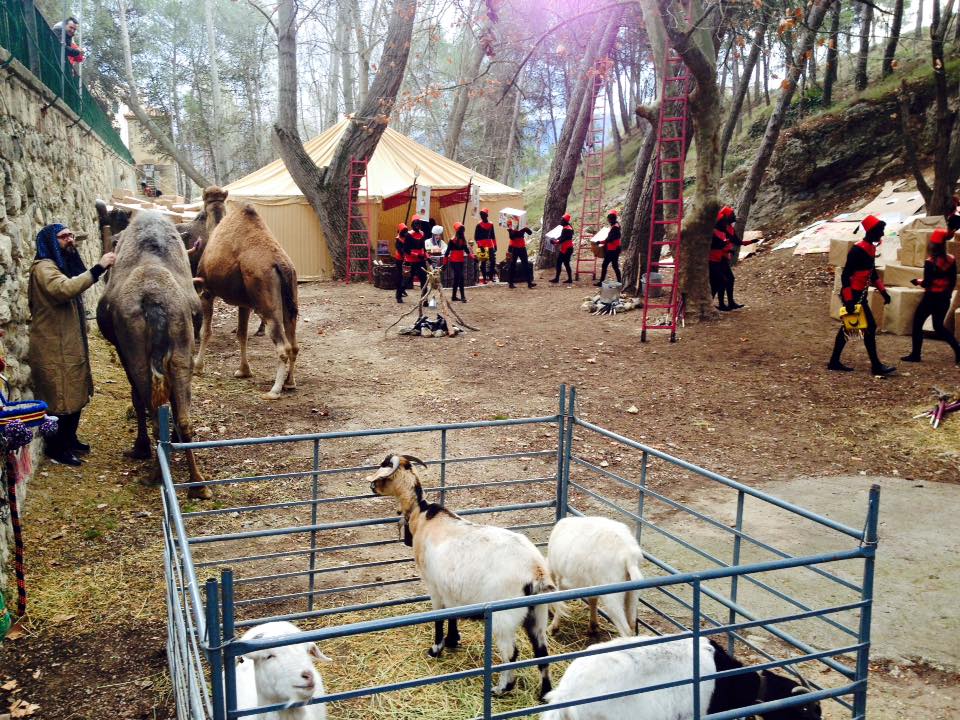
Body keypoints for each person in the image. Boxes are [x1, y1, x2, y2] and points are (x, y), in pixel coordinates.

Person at [29, 224, 116, 465]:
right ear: (50, 241)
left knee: (75, 390)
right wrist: (98, 268)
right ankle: (57, 448)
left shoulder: (61, 265)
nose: (70, 239)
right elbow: (63, 289)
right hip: (53, 344)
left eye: (71, 235)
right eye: (63, 236)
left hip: (67, 341)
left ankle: (70, 439)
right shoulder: (44, 268)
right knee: (60, 396)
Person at [828, 215, 895, 375]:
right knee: (867, 327)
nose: (882, 234)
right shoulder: (857, 250)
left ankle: (834, 361)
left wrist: (883, 292)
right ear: (872, 231)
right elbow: (846, 276)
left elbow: (872, 274)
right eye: (880, 231)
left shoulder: (870, 248)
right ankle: (876, 366)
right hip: (853, 295)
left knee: (850, 328)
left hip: (859, 294)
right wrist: (849, 300)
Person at [901, 228, 960, 365]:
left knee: (917, 323)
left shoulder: (930, 262)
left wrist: (917, 281)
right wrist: (948, 294)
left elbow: (927, 283)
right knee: (938, 326)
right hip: (944, 298)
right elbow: (952, 281)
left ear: (932, 245)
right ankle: (958, 350)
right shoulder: (951, 260)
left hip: (930, 298)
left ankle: (915, 354)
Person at [710, 206, 759, 310]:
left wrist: (751, 241)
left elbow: (736, 241)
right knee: (721, 281)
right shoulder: (718, 230)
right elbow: (719, 244)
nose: (733, 216)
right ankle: (720, 304)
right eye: (732, 214)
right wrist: (727, 248)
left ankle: (729, 303)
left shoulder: (727, 229)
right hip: (717, 259)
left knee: (727, 280)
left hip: (722, 258)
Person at [444, 222, 474, 302]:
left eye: (463, 230)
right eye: (461, 230)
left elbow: (466, 250)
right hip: (454, 261)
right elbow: (447, 252)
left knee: (457, 278)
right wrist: (445, 263)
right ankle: (463, 296)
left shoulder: (463, 240)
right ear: (457, 231)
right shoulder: (452, 240)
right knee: (461, 277)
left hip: (461, 260)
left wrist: (473, 257)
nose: (462, 231)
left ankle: (454, 296)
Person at [506, 219, 535, 289]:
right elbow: (512, 237)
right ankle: (510, 283)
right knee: (512, 265)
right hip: (513, 247)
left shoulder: (522, 224)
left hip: (522, 247)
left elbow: (530, 233)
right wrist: (511, 229)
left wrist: (525, 228)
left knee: (526, 264)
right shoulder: (511, 223)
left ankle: (529, 283)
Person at [595, 210, 622, 286]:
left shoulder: (615, 227)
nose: (609, 221)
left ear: (611, 219)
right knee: (615, 266)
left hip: (613, 250)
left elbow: (610, 239)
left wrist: (600, 242)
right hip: (615, 249)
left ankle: (601, 282)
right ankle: (619, 282)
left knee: (605, 265)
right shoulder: (616, 226)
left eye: (609, 220)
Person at [404, 215, 428, 295]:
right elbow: (406, 250)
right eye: (415, 224)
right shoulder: (408, 235)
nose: (417, 226)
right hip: (411, 261)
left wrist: (427, 257)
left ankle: (424, 298)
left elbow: (423, 248)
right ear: (412, 225)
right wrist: (416, 255)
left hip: (421, 260)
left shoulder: (422, 234)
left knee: (424, 279)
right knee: (408, 279)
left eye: (418, 224)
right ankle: (399, 294)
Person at [549, 213, 575, 284]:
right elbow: (563, 238)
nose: (561, 221)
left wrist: (554, 242)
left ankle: (557, 279)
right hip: (568, 248)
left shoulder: (566, 229)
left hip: (566, 249)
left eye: (562, 220)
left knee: (559, 262)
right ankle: (569, 279)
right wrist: (556, 240)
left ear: (565, 221)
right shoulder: (569, 227)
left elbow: (562, 240)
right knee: (566, 263)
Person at [474, 208, 498, 284]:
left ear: (487, 215)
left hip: (490, 245)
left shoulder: (491, 224)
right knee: (483, 263)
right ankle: (484, 279)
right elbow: (476, 237)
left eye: (483, 214)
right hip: (481, 245)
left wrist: (495, 245)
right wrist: (480, 246)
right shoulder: (478, 225)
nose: (482, 216)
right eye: (481, 215)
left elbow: (493, 236)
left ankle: (491, 277)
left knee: (493, 261)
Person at [394, 223, 409, 304]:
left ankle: (402, 289)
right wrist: (405, 255)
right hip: (399, 259)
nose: (406, 233)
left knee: (407, 276)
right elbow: (400, 250)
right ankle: (399, 293)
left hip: (407, 258)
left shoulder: (407, 238)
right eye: (404, 231)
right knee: (400, 275)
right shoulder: (398, 240)